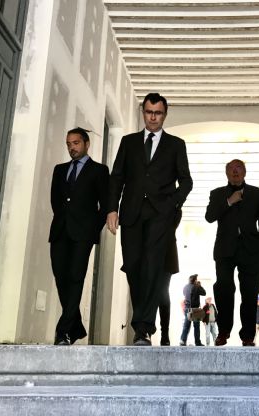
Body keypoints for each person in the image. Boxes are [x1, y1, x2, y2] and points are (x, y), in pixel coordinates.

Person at [107, 92, 193, 346]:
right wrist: (112, 209)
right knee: (133, 266)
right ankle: (142, 323)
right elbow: (117, 177)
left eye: (158, 113)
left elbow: (186, 181)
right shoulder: (129, 142)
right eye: (149, 112)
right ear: (143, 112)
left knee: (153, 268)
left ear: (165, 115)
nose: (153, 117)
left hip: (160, 215)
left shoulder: (176, 145)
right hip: (131, 213)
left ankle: (142, 327)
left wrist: (172, 204)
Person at [48, 127, 109, 345]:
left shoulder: (99, 170)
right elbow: (55, 200)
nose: (71, 147)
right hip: (59, 231)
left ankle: (63, 330)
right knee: (61, 276)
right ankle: (76, 327)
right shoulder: (59, 169)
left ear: (86, 144)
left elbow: (105, 205)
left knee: (75, 277)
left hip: (83, 234)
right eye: (68, 144)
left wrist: (92, 230)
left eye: (75, 143)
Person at [205, 159, 259, 346]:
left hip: (252, 251)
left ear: (245, 172)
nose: (235, 171)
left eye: (239, 168)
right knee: (224, 289)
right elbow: (210, 217)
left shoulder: (257, 194)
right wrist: (228, 202)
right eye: (231, 169)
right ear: (226, 173)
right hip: (225, 250)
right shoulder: (217, 194)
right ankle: (223, 331)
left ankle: (248, 336)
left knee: (249, 293)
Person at [158, 209, 182, 346]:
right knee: (149, 293)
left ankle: (164, 333)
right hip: (148, 252)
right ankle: (146, 329)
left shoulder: (174, 206)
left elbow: (174, 221)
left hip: (166, 253)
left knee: (162, 293)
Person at [179, 274, 205, 346]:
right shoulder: (197, 287)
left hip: (187, 308)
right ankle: (197, 342)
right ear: (195, 280)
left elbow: (184, 294)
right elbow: (204, 293)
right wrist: (199, 285)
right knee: (196, 327)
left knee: (186, 326)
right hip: (195, 309)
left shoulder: (185, 287)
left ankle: (183, 341)